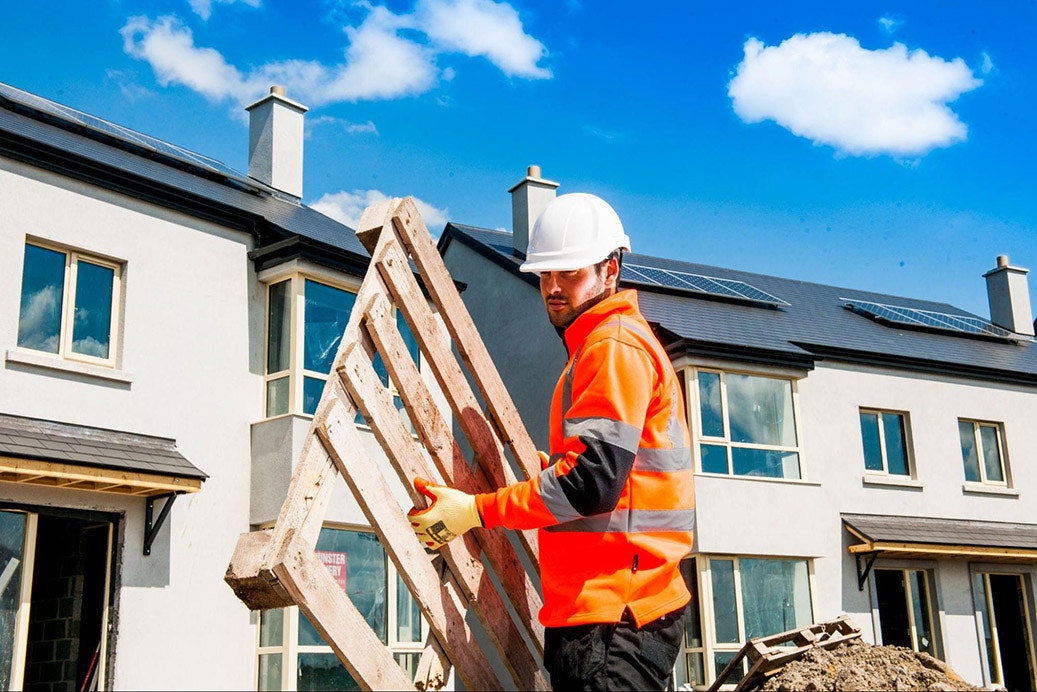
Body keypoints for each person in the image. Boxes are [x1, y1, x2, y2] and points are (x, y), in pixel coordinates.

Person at [409, 192, 695, 691]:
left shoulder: (610, 347)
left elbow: (590, 485)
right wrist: (555, 472)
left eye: (571, 273)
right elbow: (612, 480)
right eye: (546, 275)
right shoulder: (603, 345)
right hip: (616, 609)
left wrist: (477, 510)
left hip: (613, 615)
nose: (554, 288)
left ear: (610, 271)